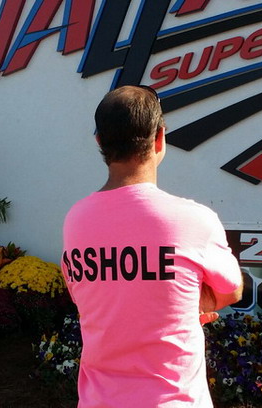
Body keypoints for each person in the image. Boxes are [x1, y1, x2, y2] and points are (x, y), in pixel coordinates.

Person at [61, 85, 244, 407]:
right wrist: (189, 299)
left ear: (100, 141)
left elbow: (86, 296)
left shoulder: (76, 220)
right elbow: (231, 291)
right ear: (159, 138)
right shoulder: (194, 220)